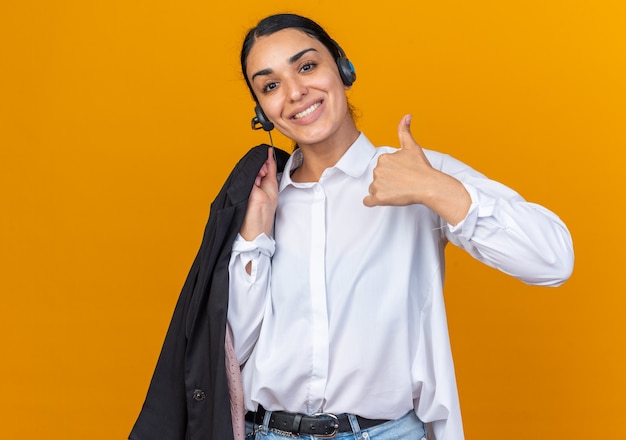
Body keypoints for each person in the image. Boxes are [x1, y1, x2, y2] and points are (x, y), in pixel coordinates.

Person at [227, 13, 574, 440]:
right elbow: (229, 351)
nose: (295, 93)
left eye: (306, 66)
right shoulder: (260, 198)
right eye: (271, 85)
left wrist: (438, 189)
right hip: (265, 433)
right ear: (263, 111)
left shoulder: (419, 173)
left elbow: (553, 260)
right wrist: (254, 238)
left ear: (342, 67)